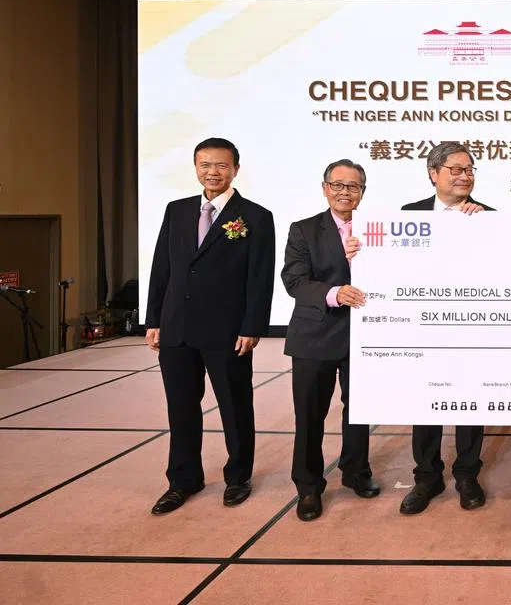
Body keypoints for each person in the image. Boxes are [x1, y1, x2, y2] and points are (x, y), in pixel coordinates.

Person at [146, 138, 275, 514]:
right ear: (195, 167)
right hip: (177, 329)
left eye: (220, 165)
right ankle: (183, 479)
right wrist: (154, 319)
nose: (212, 172)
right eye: (205, 165)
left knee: (235, 406)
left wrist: (252, 326)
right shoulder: (177, 210)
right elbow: (161, 269)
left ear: (235, 168)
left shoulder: (254, 216)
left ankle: (238, 477)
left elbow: (259, 277)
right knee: (181, 407)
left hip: (227, 331)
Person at [281, 159, 380, 522]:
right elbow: (294, 280)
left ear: (363, 192)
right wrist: (335, 292)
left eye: (353, 187)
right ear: (324, 188)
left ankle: (356, 472)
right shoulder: (304, 230)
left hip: (364, 334)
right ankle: (308, 486)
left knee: (359, 410)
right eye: (337, 185)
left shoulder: (377, 230)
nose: (345, 192)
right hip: (314, 335)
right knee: (310, 415)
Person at [399, 142, 492, 514]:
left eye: (469, 169)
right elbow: (394, 268)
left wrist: (485, 227)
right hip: (425, 331)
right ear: (433, 173)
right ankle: (427, 477)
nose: (464, 175)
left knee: (471, 403)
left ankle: (467, 474)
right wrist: (363, 251)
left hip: (473, 331)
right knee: (426, 404)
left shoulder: (490, 216)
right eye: (455, 169)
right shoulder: (407, 215)